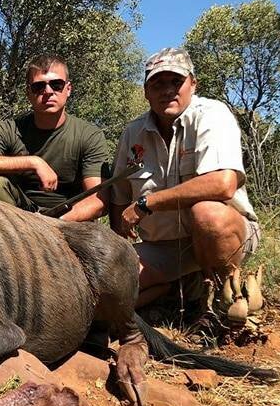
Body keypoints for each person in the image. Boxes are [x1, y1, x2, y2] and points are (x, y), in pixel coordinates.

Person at [110, 48, 260, 311]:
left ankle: (221, 302)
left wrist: (148, 203)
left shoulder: (212, 114)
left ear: (193, 84)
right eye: (157, 84)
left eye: (176, 82)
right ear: (146, 92)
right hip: (163, 247)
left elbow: (223, 184)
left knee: (208, 214)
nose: (167, 90)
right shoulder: (133, 133)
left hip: (224, 234)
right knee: (108, 282)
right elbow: (119, 198)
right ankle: (178, 287)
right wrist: (117, 245)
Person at [0, 54, 109, 221]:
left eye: (56, 84)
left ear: (68, 89)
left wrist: (53, 223)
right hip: (20, 217)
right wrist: (33, 162)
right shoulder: (11, 128)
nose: (48, 91)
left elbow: (97, 201)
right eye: (39, 87)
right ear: (28, 92)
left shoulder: (89, 135)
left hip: (67, 221)